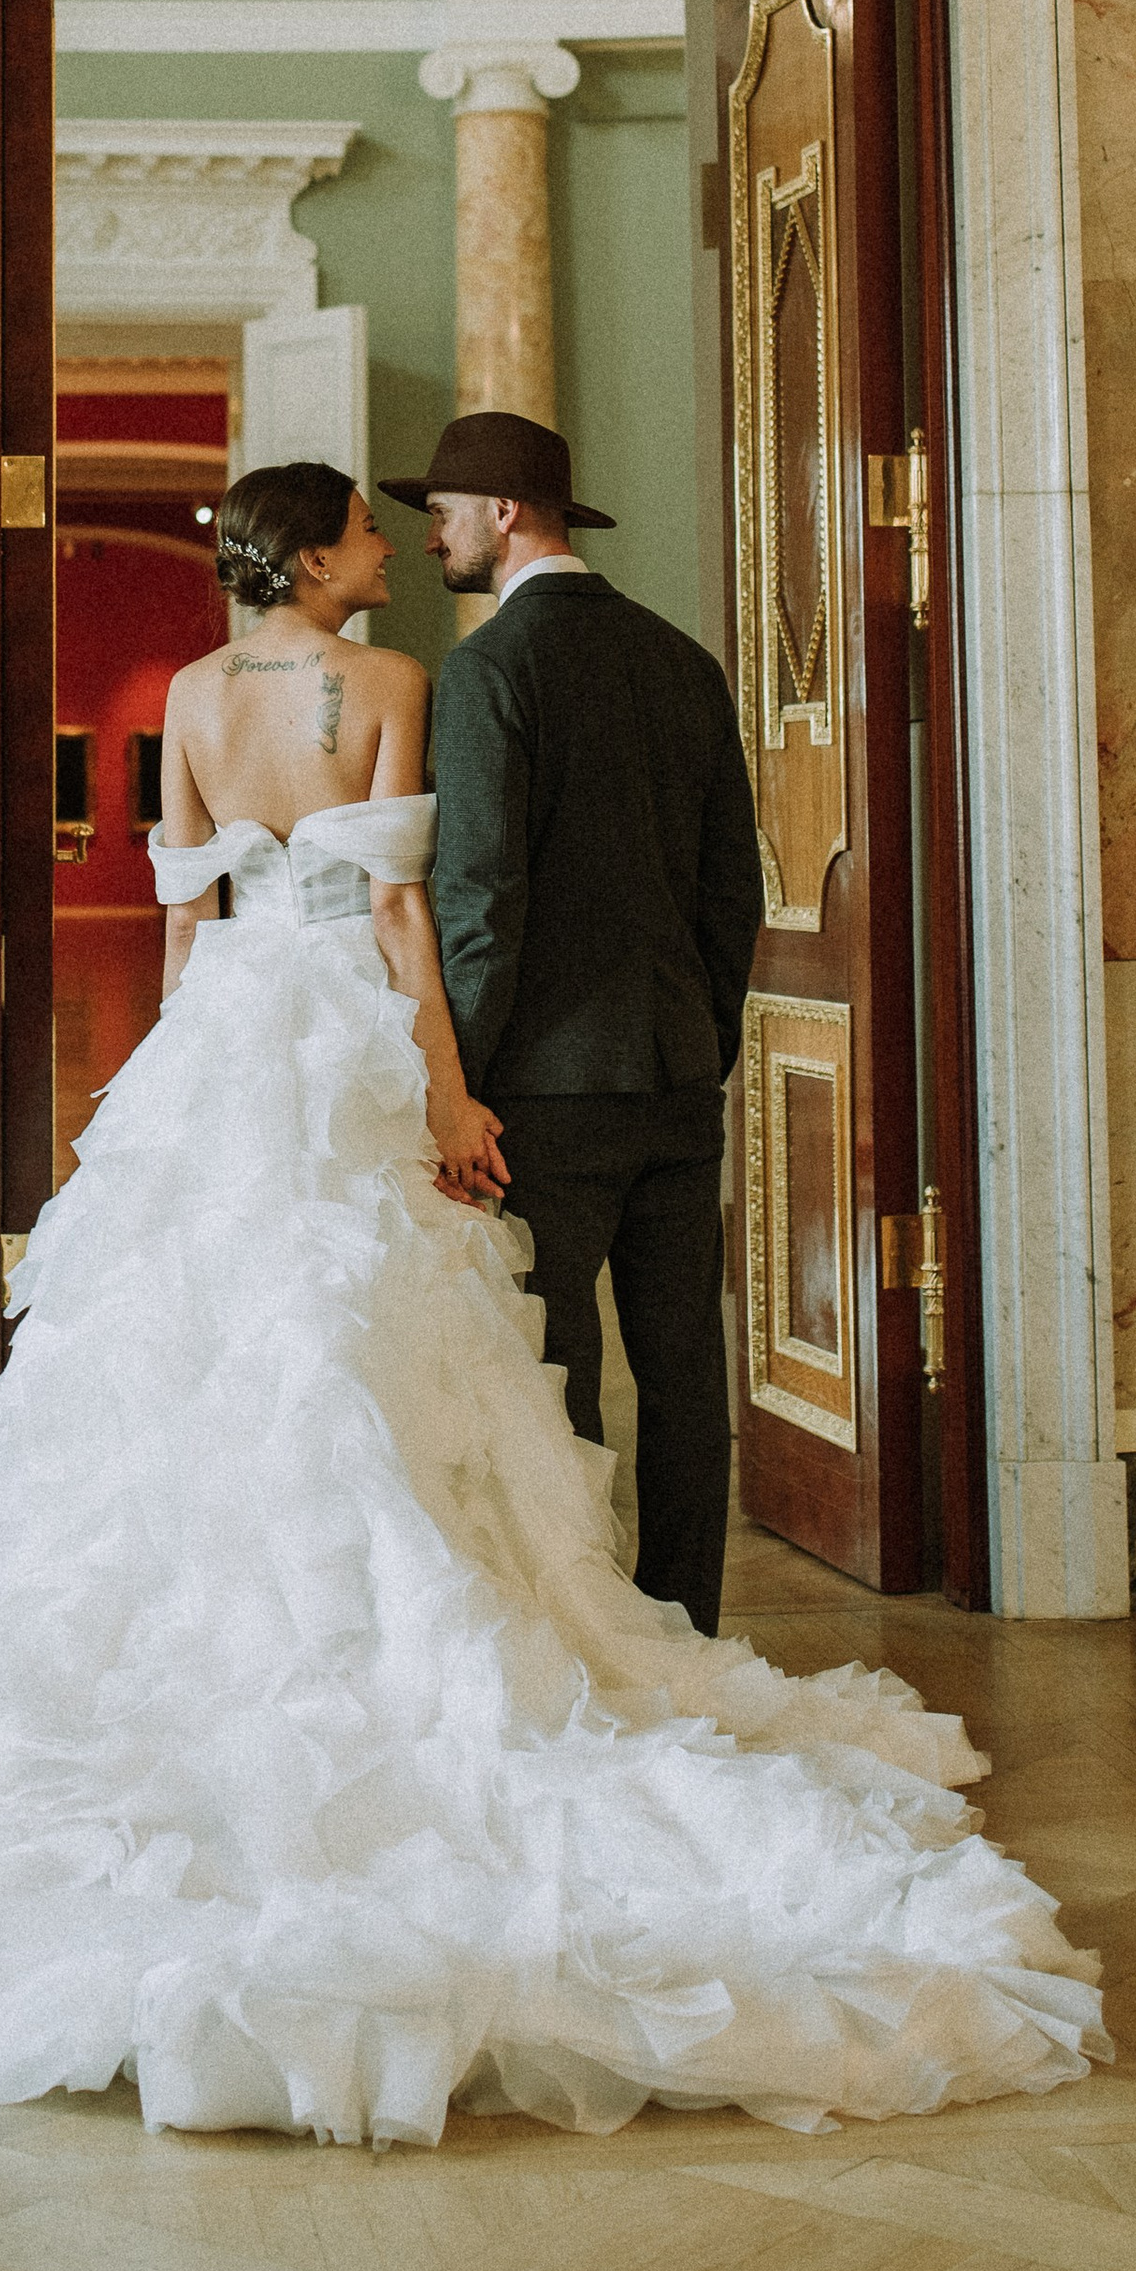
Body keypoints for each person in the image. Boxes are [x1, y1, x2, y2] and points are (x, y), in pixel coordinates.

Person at [0, 458, 1104, 2149]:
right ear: (313, 556)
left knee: (215, 1344)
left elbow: (192, 921)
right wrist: (446, 1094)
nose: (390, 550)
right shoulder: (402, 684)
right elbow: (416, 908)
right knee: (377, 1346)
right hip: (351, 1016)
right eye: (362, 530)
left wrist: (167, 1090)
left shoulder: (204, 698)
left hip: (225, 1043)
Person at [382, 411, 758, 1634]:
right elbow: (730, 888)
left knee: (562, 1373)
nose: (429, 532)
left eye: (441, 510)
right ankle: (687, 1627)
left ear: (502, 514)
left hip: (541, 1088)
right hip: (674, 1077)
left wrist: (458, 1083)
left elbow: (481, 894)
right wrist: (700, 1037)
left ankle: (601, 1635)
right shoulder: (680, 659)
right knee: (686, 1376)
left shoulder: (493, 671)